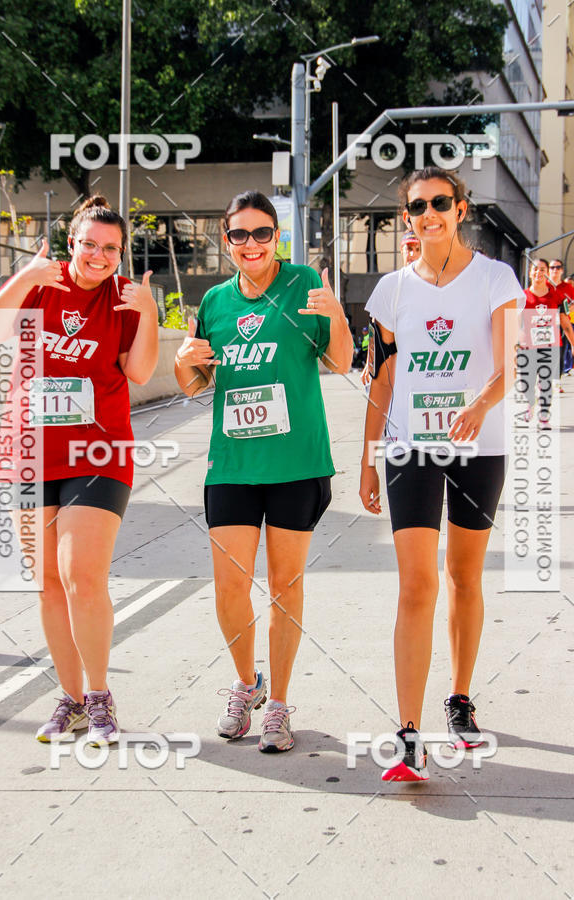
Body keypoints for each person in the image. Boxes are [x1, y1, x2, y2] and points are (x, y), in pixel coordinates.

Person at [359, 166, 524, 782]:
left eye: (440, 202)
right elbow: (381, 377)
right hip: (410, 449)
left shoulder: (495, 278)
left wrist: (477, 405)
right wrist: (370, 458)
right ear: (407, 217)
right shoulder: (392, 290)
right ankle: (406, 733)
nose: (428, 213)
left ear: (460, 209)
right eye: (417, 206)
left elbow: (514, 362)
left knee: (462, 575)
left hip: (479, 448)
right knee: (415, 584)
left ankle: (459, 699)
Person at [0, 195, 159, 745]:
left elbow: (143, 372)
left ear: (120, 254)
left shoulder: (124, 300)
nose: (98, 256)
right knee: (48, 584)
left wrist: (148, 311)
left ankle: (100, 696)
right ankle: (71, 699)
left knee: (82, 576)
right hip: (28, 451)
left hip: (98, 454)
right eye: (89, 244)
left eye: (111, 248)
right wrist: (27, 273)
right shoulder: (40, 283)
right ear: (71, 243)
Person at [174, 190, 353, 752]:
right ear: (226, 242)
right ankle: (247, 683)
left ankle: (278, 705)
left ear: (277, 236)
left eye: (261, 233)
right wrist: (181, 365)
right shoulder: (216, 303)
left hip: (296, 463)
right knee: (229, 586)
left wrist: (338, 314)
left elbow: (341, 362)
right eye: (238, 235)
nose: (250, 244)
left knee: (282, 588)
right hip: (232, 463)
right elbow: (197, 385)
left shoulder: (304, 285)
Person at [361, 230, 422, 389]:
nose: (412, 254)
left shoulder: (434, 285)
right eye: (408, 249)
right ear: (401, 251)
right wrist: (370, 362)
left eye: (417, 249)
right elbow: (375, 328)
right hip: (395, 362)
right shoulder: (391, 284)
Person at [520, 258, 574, 422]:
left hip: (551, 345)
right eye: (535, 269)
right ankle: (529, 406)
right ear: (530, 273)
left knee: (546, 380)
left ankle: (544, 413)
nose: (538, 272)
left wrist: (573, 343)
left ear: (546, 274)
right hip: (528, 346)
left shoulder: (556, 296)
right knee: (526, 381)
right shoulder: (522, 296)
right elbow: (515, 323)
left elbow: (565, 322)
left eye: (542, 269)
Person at [548, 259, 574, 381]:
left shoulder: (567, 287)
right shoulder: (545, 286)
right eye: (552, 267)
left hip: (562, 325)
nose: (555, 270)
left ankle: (556, 382)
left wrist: (566, 309)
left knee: (560, 354)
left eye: (558, 267)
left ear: (562, 270)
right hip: (545, 325)